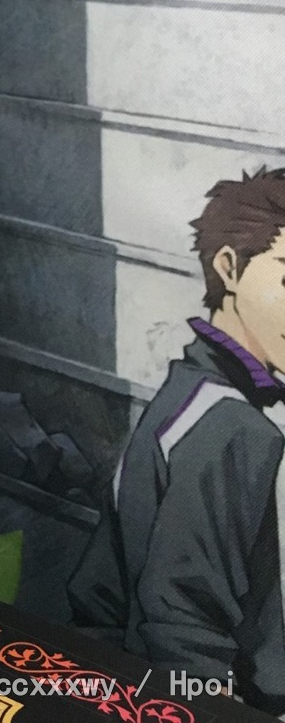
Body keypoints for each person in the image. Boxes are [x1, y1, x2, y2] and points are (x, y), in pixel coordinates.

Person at [68, 168, 285, 714]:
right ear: (229, 268)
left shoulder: (185, 394)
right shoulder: (234, 428)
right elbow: (185, 633)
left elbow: (102, 592)